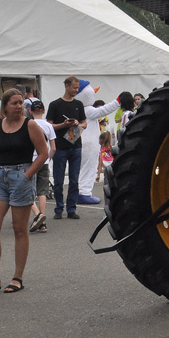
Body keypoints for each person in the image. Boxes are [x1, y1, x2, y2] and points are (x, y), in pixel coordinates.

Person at [0, 88, 50, 295]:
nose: (19, 106)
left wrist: (27, 175)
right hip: (0, 178)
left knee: (19, 229)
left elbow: (43, 153)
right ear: (4, 106)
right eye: (14, 103)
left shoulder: (30, 125)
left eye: (21, 103)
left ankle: (17, 278)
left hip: (21, 176)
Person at [47, 75, 87, 219]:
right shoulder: (55, 104)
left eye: (77, 88)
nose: (76, 90)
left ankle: (71, 209)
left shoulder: (79, 104)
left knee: (74, 180)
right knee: (58, 180)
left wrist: (77, 123)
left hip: (76, 145)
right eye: (74, 88)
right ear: (67, 86)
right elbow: (49, 125)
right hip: (60, 147)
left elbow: (85, 123)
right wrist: (63, 125)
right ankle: (58, 208)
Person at [77, 88, 121, 204]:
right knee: (89, 167)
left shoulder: (77, 110)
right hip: (89, 144)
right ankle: (84, 192)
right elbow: (104, 110)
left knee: (80, 168)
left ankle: (78, 190)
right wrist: (117, 101)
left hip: (81, 142)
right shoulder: (88, 110)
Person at [28, 102, 56, 234]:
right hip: (43, 160)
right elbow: (53, 148)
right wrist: (48, 158)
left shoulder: (28, 124)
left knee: (27, 190)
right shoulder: (49, 126)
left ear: (31, 111)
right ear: (43, 111)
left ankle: (37, 214)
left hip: (30, 160)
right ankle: (42, 220)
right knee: (42, 191)